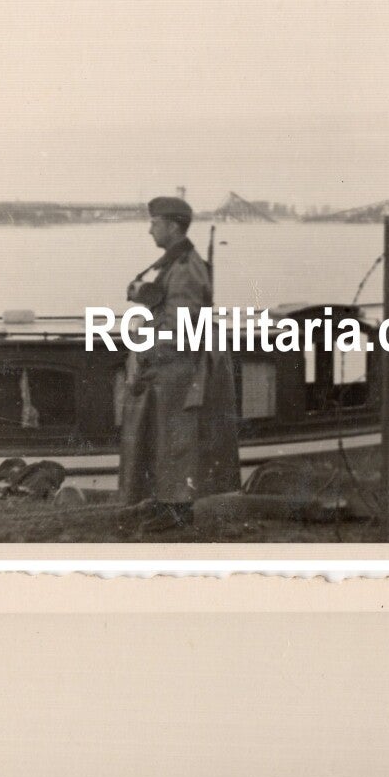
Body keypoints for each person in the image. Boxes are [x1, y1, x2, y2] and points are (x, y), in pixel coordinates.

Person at [117, 195, 240, 531]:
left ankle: (177, 510)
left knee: (176, 441)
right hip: (168, 367)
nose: (149, 230)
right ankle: (165, 502)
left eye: (154, 223)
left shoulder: (184, 269)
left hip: (177, 370)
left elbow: (179, 330)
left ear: (172, 227)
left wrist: (144, 353)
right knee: (163, 438)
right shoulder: (175, 264)